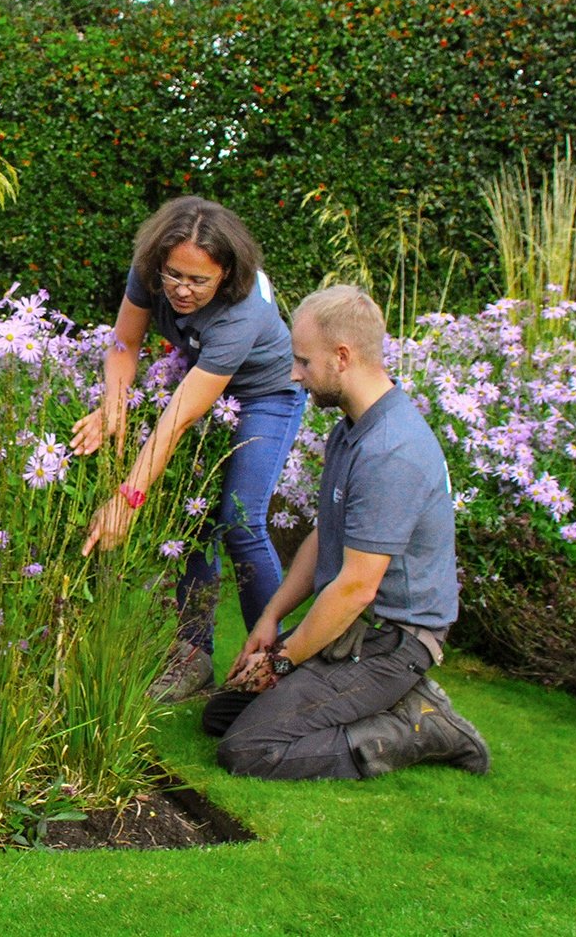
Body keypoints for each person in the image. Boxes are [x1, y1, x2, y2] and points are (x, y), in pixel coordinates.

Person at [202, 284, 490, 780]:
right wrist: (269, 622)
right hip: (358, 629)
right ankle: (391, 704)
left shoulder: (391, 452)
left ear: (341, 357)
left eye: (303, 362)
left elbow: (357, 587)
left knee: (248, 749)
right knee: (222, 716)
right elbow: (323, 536)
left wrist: (283, 663)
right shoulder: (352, 429)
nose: (295, 374)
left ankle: (419, 727)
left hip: (392, 641)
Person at [72, 196, 305, 702]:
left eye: (198, 281)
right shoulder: (149, 270)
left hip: (265, 394)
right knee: (194, 521)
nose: (180, 289)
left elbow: (178, 419)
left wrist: (126, 501)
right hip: (199, 379)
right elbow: (124, 344)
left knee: (239, 520)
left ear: (225, 275)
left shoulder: (241, 314)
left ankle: (278, 667)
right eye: (174, 275)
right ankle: (193, 657)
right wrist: (114, 406)